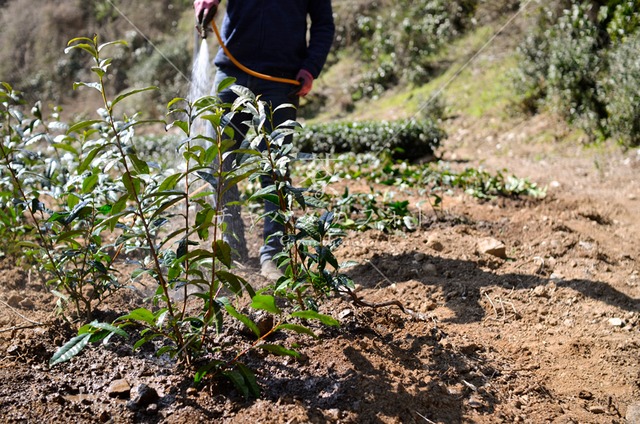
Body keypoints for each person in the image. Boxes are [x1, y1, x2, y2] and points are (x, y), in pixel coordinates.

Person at [193, 0, 335, 280]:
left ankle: (274, 254)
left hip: (281, 80)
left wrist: (311, 67)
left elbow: (323, 24)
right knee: (219, 161)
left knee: (274, 168)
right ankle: (232, 248)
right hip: (231, 72)